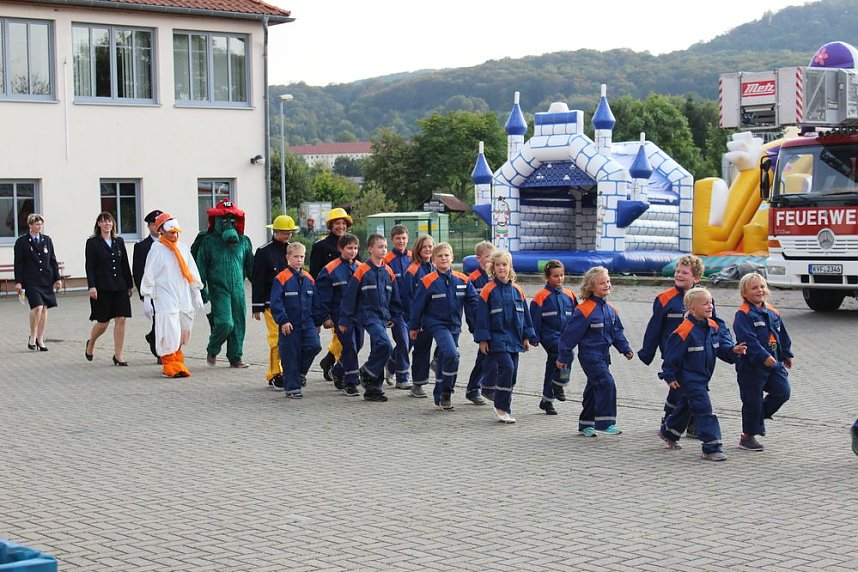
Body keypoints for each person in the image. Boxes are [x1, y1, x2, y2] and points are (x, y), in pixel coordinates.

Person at [659, 287, 747, 461]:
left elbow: (720, 349)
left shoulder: (713, 326)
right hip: (690, 379)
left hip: (703, 377)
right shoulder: (683, 332)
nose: (710, 306)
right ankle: (711, 447)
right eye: (705, 303)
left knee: (686, 407)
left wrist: (733, 351)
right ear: (692, 309)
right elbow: (671, 357)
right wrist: (669, 376)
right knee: (704, 409)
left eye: (711, 302)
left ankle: (669, 432)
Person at [638, 254, 712, 437]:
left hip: (698, 354)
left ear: (696, 278)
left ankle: (673, 420)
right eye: (677, 271)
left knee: (685, 388)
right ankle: (687, 423)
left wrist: (723, 347)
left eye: (684, 273)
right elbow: (654, 328)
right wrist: (647, 352)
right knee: (687, 388)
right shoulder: (664, 298)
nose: (678, 275)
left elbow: (713, 324)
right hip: (674, 354)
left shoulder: (704, 298)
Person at [556, 266, 633, 437]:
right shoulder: (584, 310)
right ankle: (605, 422)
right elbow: (569, 336)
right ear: (591, 287)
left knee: (593, 388)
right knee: (606, 383)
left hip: (604, 356)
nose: (607, 285)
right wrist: (563, 357)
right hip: (590, 357)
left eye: (608, 281)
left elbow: (616, 332)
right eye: (602, 283)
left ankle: (585, 424)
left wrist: (625, 349)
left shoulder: (611, 310)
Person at [409, 242, 478, 410]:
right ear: (433, 260)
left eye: (447, 255)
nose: (444, 258)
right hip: (436, 324)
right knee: (452, 354)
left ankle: (440, 394)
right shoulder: (427, 281)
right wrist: (414, 326)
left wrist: (478, 325)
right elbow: (417, 305)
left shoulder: (462, 280)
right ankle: (447, 391)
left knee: (444, 359)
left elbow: (474, 303)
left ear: (452, 258)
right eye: (439, 256)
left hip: (454, 325)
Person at [732, 272, 794, 452]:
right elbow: (748, 339)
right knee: (752, 400)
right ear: (745, 293)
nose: (759, 290)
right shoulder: (743, 314)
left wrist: (786, 354)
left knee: (783, 392)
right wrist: (762, 356)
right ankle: (748, 436)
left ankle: (757, 419)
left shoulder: (773, 312)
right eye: (754, 288)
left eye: (762, 287)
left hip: (774, 363)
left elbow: (782, 335)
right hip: (751, 366)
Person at [474, 250, 536, 424]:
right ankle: (501, 407)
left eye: (504, 264)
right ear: (493, 268)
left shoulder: (518, 290)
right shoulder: (488, 290)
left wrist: (526, 337)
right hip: (496, 339)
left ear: (510, 267)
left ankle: (503, 403)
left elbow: (525, 315)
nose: (501, 268)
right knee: (507, 368)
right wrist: (483, 339)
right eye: (498, 265)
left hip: (515, 339)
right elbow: (482, 317)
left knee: (513, 374)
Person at [139, 213, 204, 378]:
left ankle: (178, 360)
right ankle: (168, 363)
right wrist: (147, 298)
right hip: (165, 295)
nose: (174, 235)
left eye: (176, 232)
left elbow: (191, 270)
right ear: (162, 231)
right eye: (171, 232)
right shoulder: (157, 250)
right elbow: (149, 274)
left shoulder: (183, 248)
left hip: (182, 294)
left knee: (183, 327)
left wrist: (196, 292)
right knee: (169, 327)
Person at [338, 234, 402, 402]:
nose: (384, 250)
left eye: (385, 247)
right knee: (385, 345)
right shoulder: (362, 270)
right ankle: (367, 370)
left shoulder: (388, 271)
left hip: (383, 317)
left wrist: (394, 315)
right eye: (380, 247)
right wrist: (344, 319)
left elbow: (394, 297)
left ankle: (374, 389)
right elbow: (350, 296)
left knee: (378, 349)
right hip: (368, 315)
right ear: (371, 249)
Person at [191, 199, 254, 369]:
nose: (229, 224)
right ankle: (213, 348)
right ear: (217, 220)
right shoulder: (208, 241)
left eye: (232, 220)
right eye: (224, 220)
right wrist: (201, 289)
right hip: (219, 289)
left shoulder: (244, 241)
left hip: (239, 290)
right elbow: (200, 267)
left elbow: (251, 267)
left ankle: (235, 357)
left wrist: (264, 286)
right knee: (226, 322)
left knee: (239, 323)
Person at [251, 215, 299, 388]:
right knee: (276, 339)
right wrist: (256, 306)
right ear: (275, 231)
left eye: (290, 233)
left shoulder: (292, 251)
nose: (287, 236)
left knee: (291, 338)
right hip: (270, 303)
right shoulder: (264, 252)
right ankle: (274, 373)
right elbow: (258, 280)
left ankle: (289, 371)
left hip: (290, 302)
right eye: (284, 232)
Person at [270, 242, 322, 399]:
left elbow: (316, 301)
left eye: (301, 257)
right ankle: (292, 388)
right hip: (289, 324)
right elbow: (276, 302)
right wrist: (283, 320)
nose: (299, 260)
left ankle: (299, 373)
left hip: (307, 323)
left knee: (314, 346)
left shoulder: (308, 278)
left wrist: (317, 321)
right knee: (290, 355)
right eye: (295, 257)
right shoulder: (281, 278)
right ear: (288, 258)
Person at [309, 207, 354, 382]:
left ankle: (330, 362)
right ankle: (335, 366)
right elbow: (313, 274)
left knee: (344, 337)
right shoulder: (320, 246)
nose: (340, 226)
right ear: (330, 226)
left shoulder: (352, 244)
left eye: (343, 223)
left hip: (347, 298)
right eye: (337, 223)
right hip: (329, 298)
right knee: (343, 337)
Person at [84, 211, 133, 366]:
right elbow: (89, 266)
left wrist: (129, 284)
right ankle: (91, 343)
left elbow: (124, 263)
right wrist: (92, 286)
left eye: (109, 221)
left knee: (121, 319)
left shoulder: (119, 241)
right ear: (99, 224)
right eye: (104, 221)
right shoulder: (92, 243)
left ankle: (118, 355)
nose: (107, 224)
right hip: (102, 287)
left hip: (119, 285)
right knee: (103, 322)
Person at [529, 260, 578, 415]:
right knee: (567, 355)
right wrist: (534, 337)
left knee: (553, 366)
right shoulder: (541, 296)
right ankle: (560, 382)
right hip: (549, 336)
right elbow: (534, 318)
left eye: (562, 275)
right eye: (556, 276)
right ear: (547, 277)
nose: (560, 279)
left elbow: (578, 316)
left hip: (566, 336)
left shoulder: (569, 295)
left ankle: (547, 401)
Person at [315, 234, 362, 395]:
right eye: (349, 248)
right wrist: (325, 317)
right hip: (340, 315)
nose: (353, 251)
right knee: (350, 346)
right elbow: (322, 296)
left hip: (358, 315)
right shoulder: (330, 270)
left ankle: (338, 371)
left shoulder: (361, 268)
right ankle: (351, 382)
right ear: (341, 249)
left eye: (355, 248)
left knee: (359, 344)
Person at [13, 213, 63, 351]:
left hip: (46, 279)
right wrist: (18, 282)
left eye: (40, 224)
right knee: (37, 307)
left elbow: (52, 260)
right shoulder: (22, 242)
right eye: (36, 224)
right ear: (30, 225)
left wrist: (57, 278)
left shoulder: (47, 240)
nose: (39, 226)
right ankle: (33, 336)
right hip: (31, 280)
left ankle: (40, 338)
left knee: (45, 308)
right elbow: (18, 263)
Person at [403, 234, 436, 398]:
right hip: (419, 318)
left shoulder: (435, 267)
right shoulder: (413, 270)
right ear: (418, 249)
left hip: (435, 317)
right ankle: (418, 383)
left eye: (430, 246)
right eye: (425, 247)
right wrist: (413, 321)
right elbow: (408, 297)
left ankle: (437, 362)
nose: (428, 250)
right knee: (421, 350)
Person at [465, 240, 496, 404]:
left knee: (486, 356)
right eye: (488, 257)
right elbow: (470, 306)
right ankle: (482, 388)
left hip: (495, 324)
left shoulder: (496, 276)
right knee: (486, 355)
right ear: (479, 259)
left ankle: (475, 388)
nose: (491, 261)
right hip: (481, 325)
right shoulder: (474, 278)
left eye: (493, 258)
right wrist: (474, 326)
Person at [382, 225, 412, 390]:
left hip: (412, 309)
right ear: (392, 240)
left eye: (404, 238)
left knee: (408, 343)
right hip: (396, 311)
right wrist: (388, 312)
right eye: (398, 238)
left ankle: (391, 365)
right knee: (402, 341)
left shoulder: (413, 257)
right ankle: (403, 377)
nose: (401, 241)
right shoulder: (387, 260)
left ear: (408, 239)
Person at [133, 209, 163, 362]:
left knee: (164, 319)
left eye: (161, 224)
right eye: (154, 224)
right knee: (158, 319)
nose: (157, 227)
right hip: (152, 290)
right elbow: (138, 272)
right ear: (149, 226)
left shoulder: (170, 244)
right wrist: (143, 294)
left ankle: (153, 338)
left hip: (167, 290)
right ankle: (160, 352)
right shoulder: (142, 246)